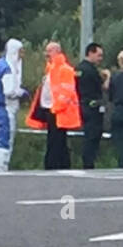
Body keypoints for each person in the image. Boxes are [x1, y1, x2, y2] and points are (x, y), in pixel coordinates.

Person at [26, 42, 82, 170]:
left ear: (57, 51)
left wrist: (56, 108)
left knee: (57, 140)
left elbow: (67, 92)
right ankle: (59, 165)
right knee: (56, 140)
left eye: (49, 51)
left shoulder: (64, 69)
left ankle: (54, 165)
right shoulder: (50, 69)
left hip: (58, 110)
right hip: (50, 108)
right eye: (46, 51)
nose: (47, 54)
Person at [0, 39, 29, 172]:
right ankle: (1, 167)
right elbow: (9, 91)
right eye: (20, 52)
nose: (22, 55)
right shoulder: (8, 68)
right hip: (5, 107)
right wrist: (22, 93)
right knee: (5, 139)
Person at [76, 42, 108, 169]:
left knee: (87, 135)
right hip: (93, 107)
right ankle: (89, 162)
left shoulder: (78, 68)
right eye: (99, 55)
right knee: (93, 135)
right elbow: (103, 87)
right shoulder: (91, 70)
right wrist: (108, 77)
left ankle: (87, 161)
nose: (100, 59)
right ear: (90, 53)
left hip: (81, 105)